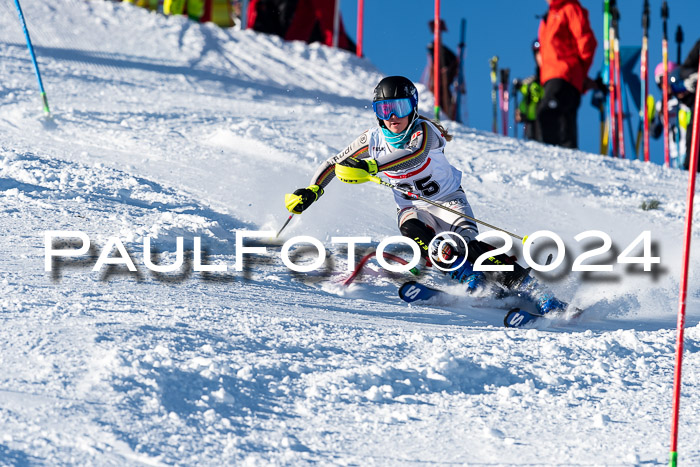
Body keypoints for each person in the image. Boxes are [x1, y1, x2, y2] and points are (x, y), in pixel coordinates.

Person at [284, 76, 535, 298]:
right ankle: (468, 276)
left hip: (448, 202)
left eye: (399, 108)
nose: (392, 117)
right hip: (412, 207)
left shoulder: (424, 131)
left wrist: (371, 167)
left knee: (464, 246)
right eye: (384, 109)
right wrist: (312, 190)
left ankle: (524, 284)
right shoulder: (372, 139)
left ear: (413, 108)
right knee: (415, 230)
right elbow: (334, 163)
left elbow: (413, 155)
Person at [536, 0, 597, 149]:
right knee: (558, 120)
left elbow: (586, 42)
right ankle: (562, 161)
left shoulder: (570, 9)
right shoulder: (548, 17)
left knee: (551, 114)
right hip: (551, 76)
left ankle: (560, 158)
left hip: (565, 74)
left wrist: (579, 72)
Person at [651, 61, 692, 168]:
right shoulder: (661, 105)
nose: (666, 87)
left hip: (689, 148)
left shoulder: (685, 100)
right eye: (662, 84)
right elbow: (655, 132)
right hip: (674, 153)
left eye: (668, 82)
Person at [424, 20, 459, 119]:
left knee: (444, 96)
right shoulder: (435, 48)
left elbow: (454, 61)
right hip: (437, 82)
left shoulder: (443, 50)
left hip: (442, 83)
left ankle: (446, 116)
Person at [515, 40, 544, 141]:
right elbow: (527, 94)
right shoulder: (534, 80)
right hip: (531, 120)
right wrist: (521, 111)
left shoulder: (551, 79)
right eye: (537, 54)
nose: (540, 57)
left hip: (546, 120)